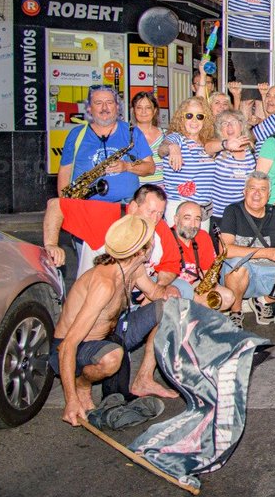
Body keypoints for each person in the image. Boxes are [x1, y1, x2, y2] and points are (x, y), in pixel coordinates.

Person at [51, 215, 177, 426]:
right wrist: (71, 400)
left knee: (169, 308)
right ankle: (82, 383)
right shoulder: (104, 284)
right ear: (142, 250)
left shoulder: (134, 268)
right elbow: (67, 345)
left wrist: (169, 291)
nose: (155, 241)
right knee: (112, 357)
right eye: (151, 238)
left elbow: (155, 292)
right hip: (77, 346)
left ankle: (144, 378)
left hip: (112, 333)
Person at [219, 171, 275, 326]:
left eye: (262, 189)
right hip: (239, 275)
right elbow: (225, 250)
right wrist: (266, 253)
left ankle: (261, 301)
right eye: (252, 188)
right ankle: (236, 311)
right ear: (244, 191)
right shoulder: (232, 211)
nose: (257, 194)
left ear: (269, 194)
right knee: (238, 267)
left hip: (268, 273)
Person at [42, 183, 170, 280]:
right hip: (96, 294)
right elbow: (55, 204)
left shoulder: (160, 226)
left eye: (160, 213)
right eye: (151, 211)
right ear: (133, 207)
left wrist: (159, 286)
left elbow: (171, 265)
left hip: (133, 297)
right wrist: (51, 244)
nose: (155, 219)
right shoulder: (104, 215)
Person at [57, 85, 155, 202]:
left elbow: (150, 168)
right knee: (53, 206)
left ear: (117, 106)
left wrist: (126, 166)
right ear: (89, 108)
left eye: (109, 102)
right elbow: (65, 171)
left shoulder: (132, 132)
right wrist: (65, 203)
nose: (104, 108)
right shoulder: (76, 134)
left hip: (124, 206)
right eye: (98, 103)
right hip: (85, 205)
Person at [152, 201, 235, 309]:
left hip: (195, 286)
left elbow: (207, 274)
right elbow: (155, 276)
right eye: (187, 218)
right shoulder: (164, 236)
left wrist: (211, 282)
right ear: (176, 219)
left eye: (197, 219)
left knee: (228, 297)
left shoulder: (203, 237)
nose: (193, 224)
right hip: (170, 285)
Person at [155, 97, 217, 224]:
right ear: (181, 118)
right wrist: (172, 147)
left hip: (203, 208)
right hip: (179, 206)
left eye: (199, 116)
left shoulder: (207, 143)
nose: (194, 120)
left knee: (201, 243)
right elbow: (162, 150)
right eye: (189, 115)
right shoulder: (176, 138)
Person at [207, 109, 257, 225]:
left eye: (233, 122)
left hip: (243, 214)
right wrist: (226, 144)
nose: (229, 126)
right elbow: (207, 148)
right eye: (224, 123)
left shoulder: (251, 149)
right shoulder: (218, 147)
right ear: (220, 128)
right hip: (218, 214)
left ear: (241, 126)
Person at [130, 91, 164, 186]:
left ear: (155, 110)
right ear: (134, 110)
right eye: (139, 108)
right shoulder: (127, 136)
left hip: (163, 193)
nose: (143, 112)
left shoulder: (166, 135)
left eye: (148, 108)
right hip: (136, 193)